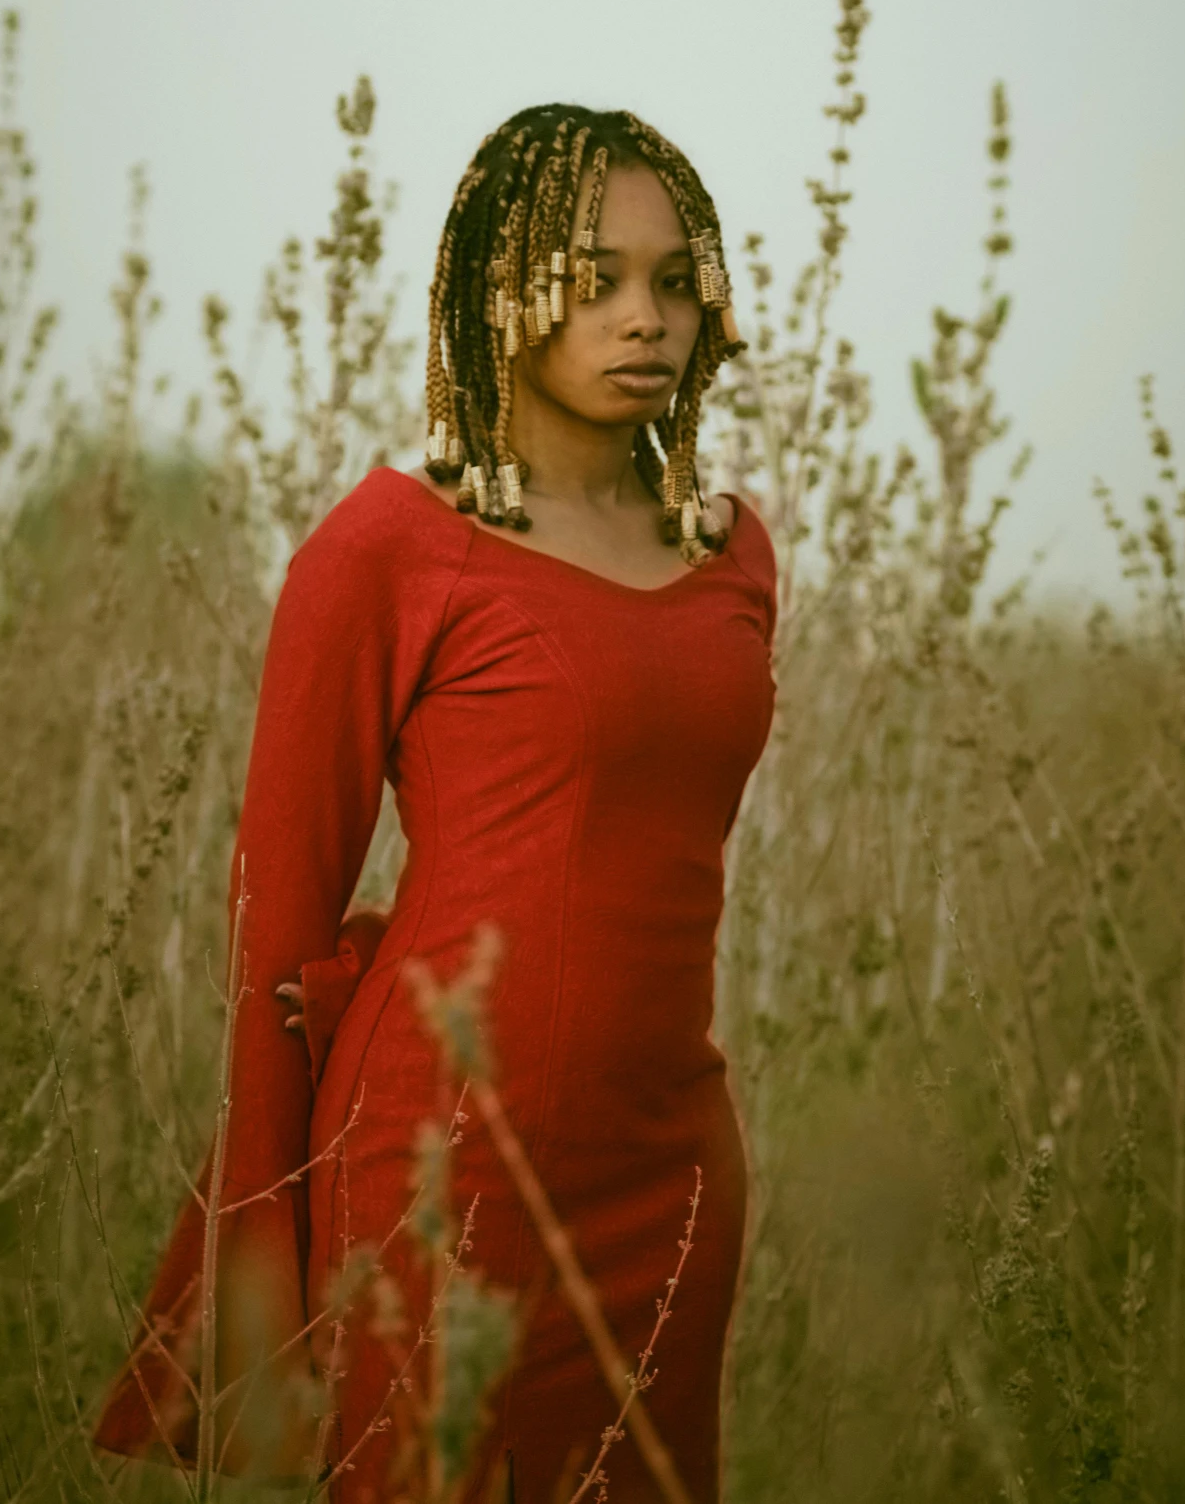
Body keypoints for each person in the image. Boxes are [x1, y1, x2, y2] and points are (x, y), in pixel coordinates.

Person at [92, 105, 778, 1500]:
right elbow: (272, 925)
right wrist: (260, 1281)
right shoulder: (389, 547)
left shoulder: (734, 552)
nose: (643, 317)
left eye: (672, 279)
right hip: (438, 1173)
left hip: (672, 1179)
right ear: (498, 289)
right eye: (592, 281)